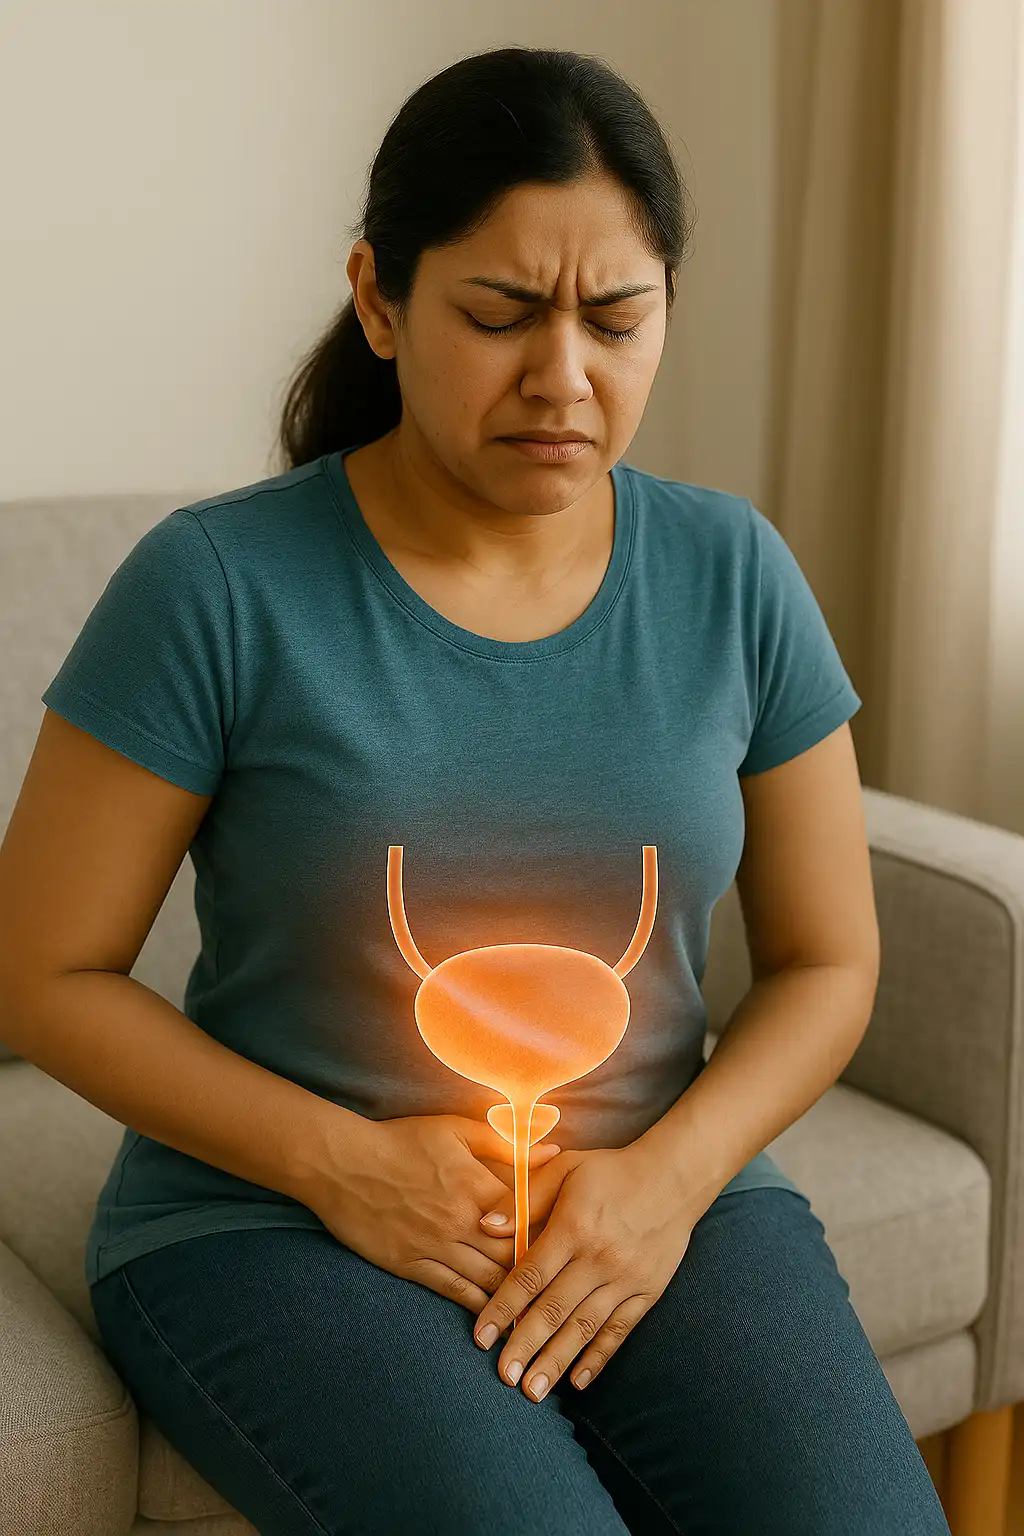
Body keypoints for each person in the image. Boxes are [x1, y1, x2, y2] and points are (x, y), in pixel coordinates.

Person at [1, 43, 951, 1535]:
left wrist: (667, 1181)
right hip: (275, 1220)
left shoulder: (732, 572)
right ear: (379, 296)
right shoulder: (217, 586)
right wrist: (348, 1166)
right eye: (499, 315)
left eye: (617, 321)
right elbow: (38, 972)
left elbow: (833, 961)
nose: (561, 379)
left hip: (656, 1195)